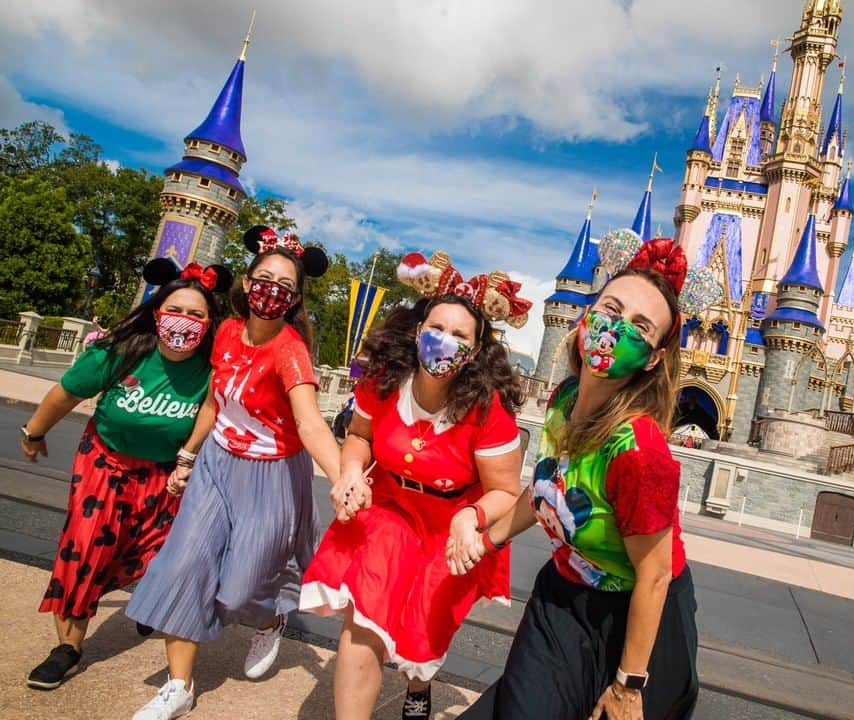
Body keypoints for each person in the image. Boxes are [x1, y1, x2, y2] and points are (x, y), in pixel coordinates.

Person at [458, 233, 713, 720]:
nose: (616, 328)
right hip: (565, 598)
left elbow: (655, 575)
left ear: (654, 356)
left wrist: (627, 685)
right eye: (611, 308)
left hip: (640, 621)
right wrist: (485, 542)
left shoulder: (639, 454)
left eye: (641, 325)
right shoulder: (564, 400)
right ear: (586, 314)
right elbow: (545, 491)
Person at [300, 250, 532, 720]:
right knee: (365, 614)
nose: (444, 341)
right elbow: (360, 436)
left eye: (459, 335)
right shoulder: (385, 380)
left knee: (423, 632)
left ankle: (418, 682)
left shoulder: (488, 410)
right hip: (390, 507)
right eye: (436, 328)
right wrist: (349, 471)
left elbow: (506, 491)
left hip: (451, 525)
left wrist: (472, 516)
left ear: (477, 348)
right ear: (418, 328)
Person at [125, 227, 338, 720]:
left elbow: (309, 421)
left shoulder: (291, 351)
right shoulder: (223, 332)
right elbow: (214, 401)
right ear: (245, 281)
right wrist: (188, 455)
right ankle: (179, 686)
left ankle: (271, 618)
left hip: (273, 475)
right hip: (217, 466)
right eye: (264, 278)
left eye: (284, 284)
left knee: (242, 587)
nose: (271, 290)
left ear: (296, 297)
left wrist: (341, 477)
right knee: (184, 565)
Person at [20, 259, 230, 690]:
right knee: (85, 545)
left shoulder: (213, 370)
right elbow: (65, 393)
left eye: (196, 315)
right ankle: (68, 648)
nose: (184, 322)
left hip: (165, 474)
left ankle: (150, 602)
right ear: (157, 313)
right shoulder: (121, 352)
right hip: (106, 463)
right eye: (176, 310)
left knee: (161, 553)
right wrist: (35, 431)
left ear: (210, 324)